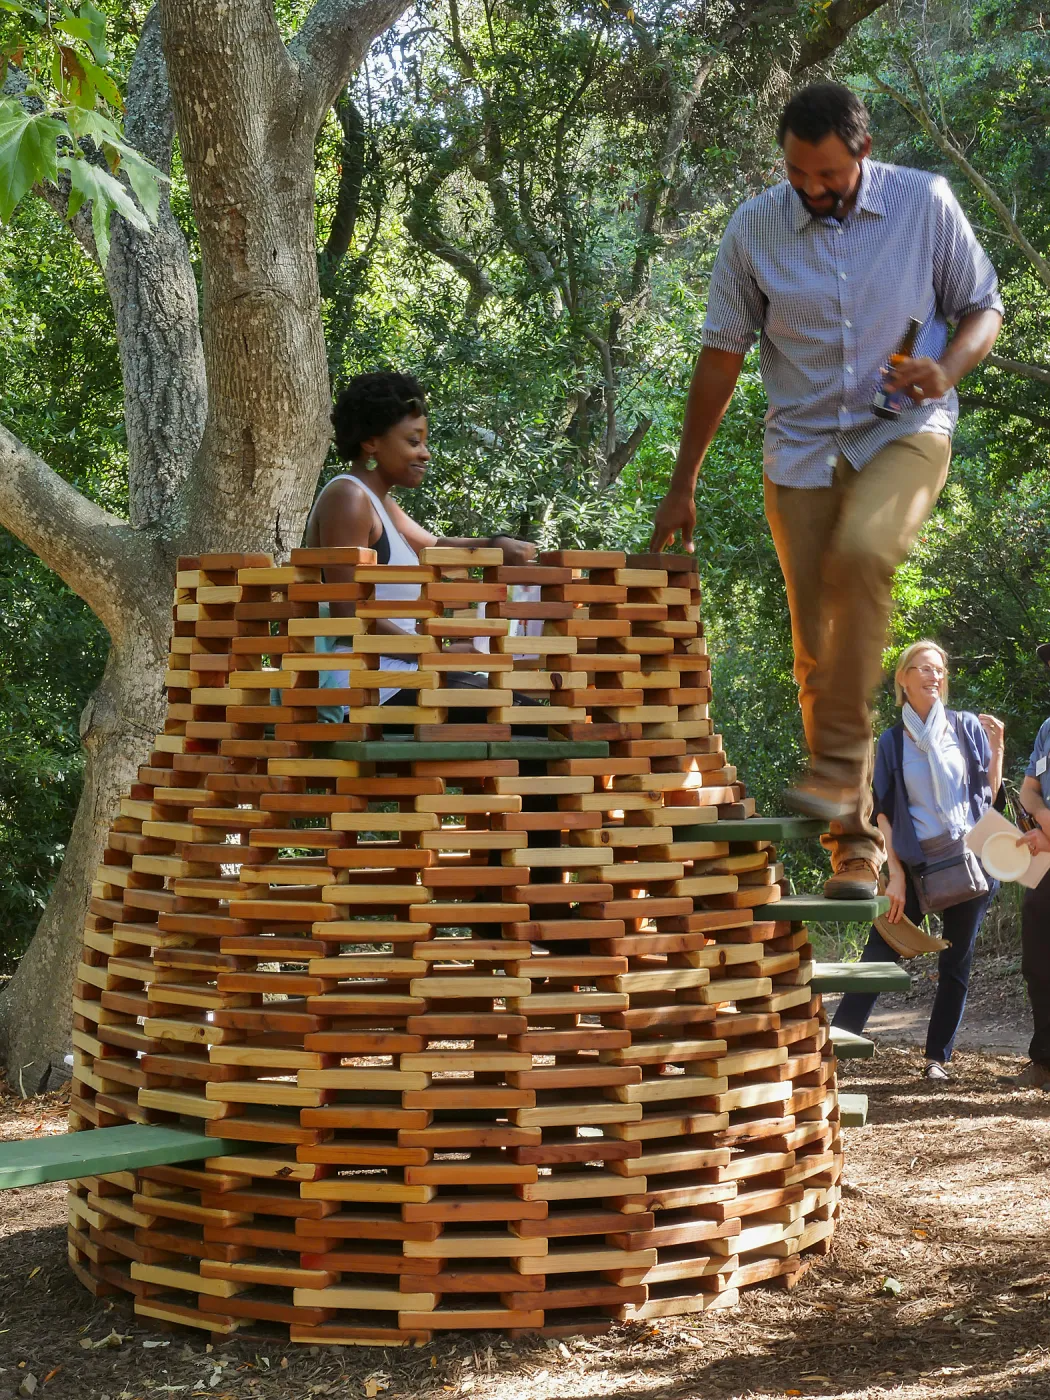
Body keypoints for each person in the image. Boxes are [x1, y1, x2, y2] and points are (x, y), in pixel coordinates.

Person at [648, 81, 1003, 899]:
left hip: (906, 429)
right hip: (801, 451)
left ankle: (839, 765)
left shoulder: (926, 204)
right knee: (815, 654)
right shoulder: (755, 228)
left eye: (830, 177)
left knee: (865, 551)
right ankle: (855, 848)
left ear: (863, 155)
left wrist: (944, 368)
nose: (813, 189)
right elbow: (721, 356)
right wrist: (683, 482)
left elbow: (983, 306)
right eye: (799, 174)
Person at [302, 371, 535, 721]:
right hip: (368, 687)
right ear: (370, 442)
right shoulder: (348, 498)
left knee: (532, 719)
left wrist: (496, 544)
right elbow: (347, 612)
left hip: (402, 675)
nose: (425, 454)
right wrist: (430, 649)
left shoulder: (380, 501)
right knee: (530, 723)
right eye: (414, 441)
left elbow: (436, 545)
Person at [831, 641, 1004, 1082]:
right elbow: (884, 810)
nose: (935, 676)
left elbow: (986, 796)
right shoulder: (891, 742)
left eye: (940, 670)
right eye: (925, 669)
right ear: (904, 678)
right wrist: (896, 876)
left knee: (956, 964)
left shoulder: (963, 727)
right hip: (914, 864)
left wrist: (997, 750)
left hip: (967, 862)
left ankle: (936, 1060)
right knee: (881, 949)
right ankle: (838, 1043)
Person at [1007, 642, 1050, 1090]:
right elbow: (1029, 792)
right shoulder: (1047, 729)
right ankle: (1044, 1061)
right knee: (1038, 959)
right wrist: (1044, 824)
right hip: (1046, 865)